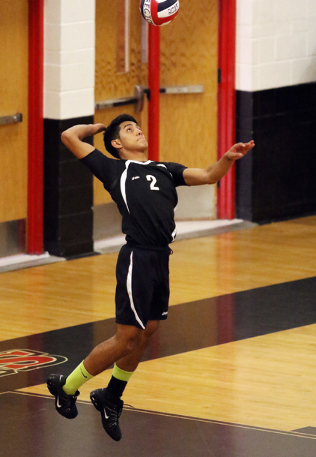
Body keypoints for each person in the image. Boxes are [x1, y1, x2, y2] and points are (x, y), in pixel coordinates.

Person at [47, 114, 255, 441]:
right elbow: (69, 137)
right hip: (137, 258)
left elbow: (207, 175)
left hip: (161, 258)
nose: (138, 130)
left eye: (137, 126)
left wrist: (227, 159)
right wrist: (96, 128)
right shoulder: (114, 169)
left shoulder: (164, 169)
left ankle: (111, 396)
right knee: (126, 338)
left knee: (147, 333)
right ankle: (66, 387)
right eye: (129, 129)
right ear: (117, 144)